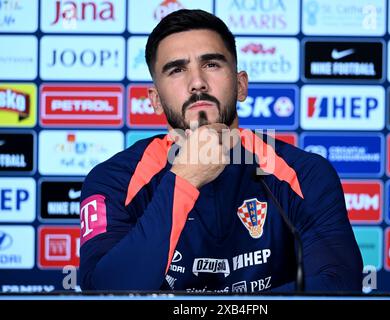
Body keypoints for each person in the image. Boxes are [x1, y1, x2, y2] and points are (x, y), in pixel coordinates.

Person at [79, 9, 363, 293]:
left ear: (240, 86)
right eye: (177, 70)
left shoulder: (305, 173)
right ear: (155, 99)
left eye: (212, 64)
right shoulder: (113, 179)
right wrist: (185, 180)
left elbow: (339, 285)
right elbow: (103, 293)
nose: (197, 82)